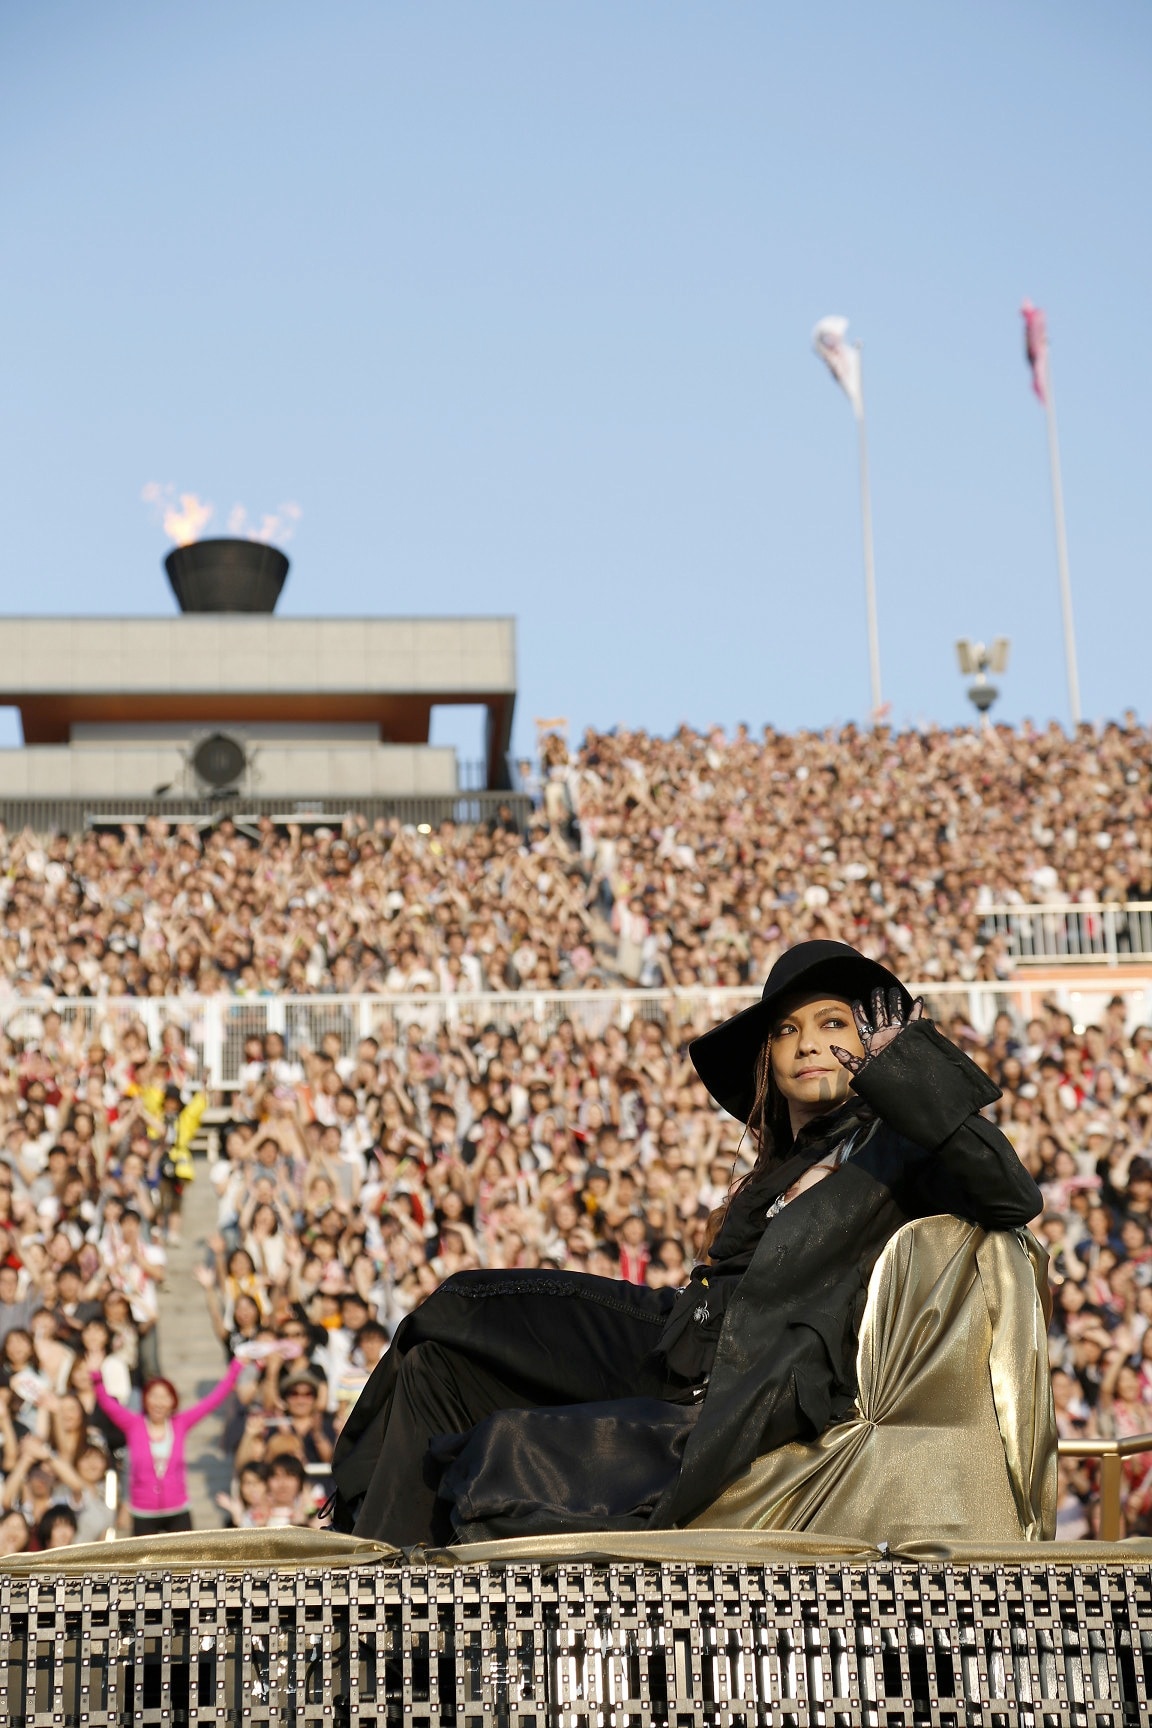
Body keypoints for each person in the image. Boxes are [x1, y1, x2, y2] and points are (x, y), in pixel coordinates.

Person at [331, 940, 1042, 1545]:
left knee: (494, 1430)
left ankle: (392, 1613)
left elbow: (1012, 1193)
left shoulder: (901, 1149)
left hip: (744, 1380)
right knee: (446, 1331)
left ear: (871, 1044)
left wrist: (905, 1072)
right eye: (787, 1031)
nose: (810, 1044)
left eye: (833, 1024)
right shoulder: (777, 1170)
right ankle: (365, 1568)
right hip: (680, 1339)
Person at [90, 1356, 244, 1537]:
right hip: (143, 1511)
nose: (159, 1402)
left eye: (165, 1397)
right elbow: (108, 1405)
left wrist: (236, 1368)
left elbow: (212, 1401)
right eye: (154, 1396)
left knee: (184, 1562)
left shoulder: (180, 1424)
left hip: (177, 1509)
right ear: (145, 1400)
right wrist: (96, 1377)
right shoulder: (134, 1425)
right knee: (146, 1565)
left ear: (173, 1402)